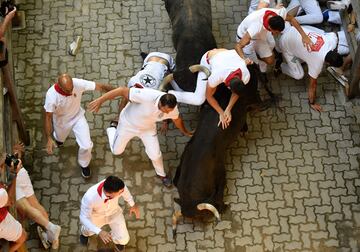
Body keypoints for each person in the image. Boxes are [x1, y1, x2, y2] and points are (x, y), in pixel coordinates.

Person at [88, 87, 192, 187]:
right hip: (127, 124)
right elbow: (122, 90)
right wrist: (100, 100)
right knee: (116, 151)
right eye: (165, 110)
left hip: (147, 129)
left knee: (155, 155)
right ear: (160, 102)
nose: (167, 113)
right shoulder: (147, 96)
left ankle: (162, 175)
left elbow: (177, 120)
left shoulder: (172, 108)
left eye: (169, 111)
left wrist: (185, 132)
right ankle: (112, 129)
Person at [44, 74, 115, 178]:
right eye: (67, 91)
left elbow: (100, 86)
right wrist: (49, 138)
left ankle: (84, 164)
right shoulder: (51, 96)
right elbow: (48, 117)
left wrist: (119, 91)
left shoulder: (77, 83)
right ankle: (58, 140)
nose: (70, 92)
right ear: (59, 86)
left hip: (78, 117)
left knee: (86, 145)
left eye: (71, 88)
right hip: (61, 122)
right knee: (59, 138)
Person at [168, 48, 251, 129]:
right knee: (199, 99)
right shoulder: (217, 76)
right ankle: (169, 93)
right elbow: (209, 96)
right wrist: (221, 112)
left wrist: (228, 109)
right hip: (208, 59)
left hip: (225, 54)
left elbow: (236, 93)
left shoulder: (246, 75)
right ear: (227, 84)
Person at [277, 25, 344, 111]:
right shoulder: (317, 64)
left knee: (309, 52)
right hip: (285, 44)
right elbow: (312, 85)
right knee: (298, 74)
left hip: (294, 28)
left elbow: (334, 34)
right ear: (328, 63)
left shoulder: (332, 41)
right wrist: (312, 103)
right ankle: (280, 66)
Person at [11, 143, 61, 249]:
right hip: (20, 171)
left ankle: (52, 228)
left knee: (27, 209)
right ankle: (51, 236)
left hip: (13, 179)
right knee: (35, 204)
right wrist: (17, 153)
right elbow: (16, 151)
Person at [235, 6, 312, 73]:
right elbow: (238, 46)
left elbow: (292, 19)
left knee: (271, 60)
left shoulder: (277, 14)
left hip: (261, 35)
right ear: (270, 28)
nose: (278, 34)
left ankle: (259, 56)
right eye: (276, 32)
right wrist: (244, 59)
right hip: (247, 38)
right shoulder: (255, 27)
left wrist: (304, 36)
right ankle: (257, 63)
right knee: (253, 64)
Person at [79, 176, 140, 252]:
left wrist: (132, 204)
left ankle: (118, 243)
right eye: (120, 192)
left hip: (114, 212)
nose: (123, 192)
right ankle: (84, 234)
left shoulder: (118, 186)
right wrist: (99, 231)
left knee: (124, 239)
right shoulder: (89, 197)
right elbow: (84, 217)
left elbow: (125, 190)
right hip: (96, 216)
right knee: (88, 230)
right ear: (109, 194)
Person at [0, 153, 27, 252]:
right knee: (23, 236)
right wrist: (14, 174)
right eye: (1, 165)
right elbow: (10, 201)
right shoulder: (1, 194)